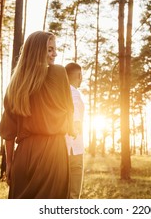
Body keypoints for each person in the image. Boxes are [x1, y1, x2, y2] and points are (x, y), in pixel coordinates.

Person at [0, 31, 74, 199]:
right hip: (53, 154)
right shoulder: (59, 73)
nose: (55, 54)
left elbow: (8, 134)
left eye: (55, 49)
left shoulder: (15, 87)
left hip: (23, 155)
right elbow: (70, 109)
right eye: (50, 50)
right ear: (37, 51)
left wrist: (9, 164)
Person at [65, 62, 85, 199]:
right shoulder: (75, 94)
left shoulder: (61, 92)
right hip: (74, 150)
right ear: (78, 75)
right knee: (73, 196)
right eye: (81, 75)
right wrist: (76, 129)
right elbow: (76, 121)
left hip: (61, 149)